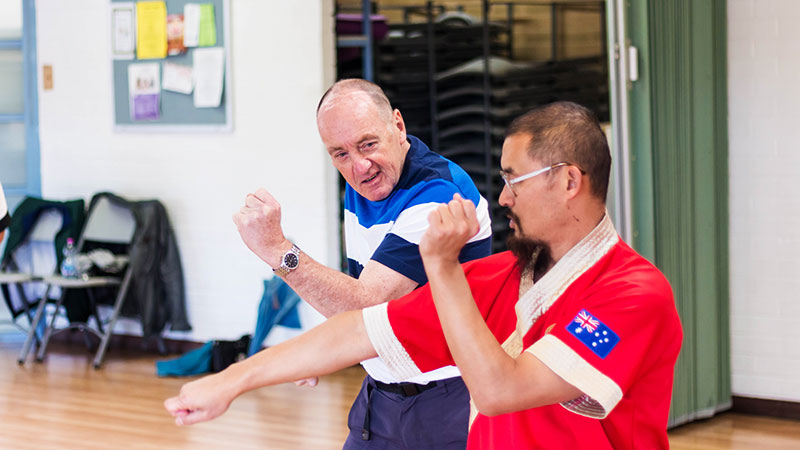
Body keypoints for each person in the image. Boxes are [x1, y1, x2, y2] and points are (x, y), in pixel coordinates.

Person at [166, 102, 682, 449]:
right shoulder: (505, 275)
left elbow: (503, 391)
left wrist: (440, 265)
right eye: (339, 153)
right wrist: (232, 380)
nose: (502, 198)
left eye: (512, 180)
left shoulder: (634, 294)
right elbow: (363, 326)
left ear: (569, 181)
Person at [229, 79, 493, 448]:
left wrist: (278, 250)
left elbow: (367, 303)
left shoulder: (437, 195)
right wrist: (324, 351)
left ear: (398, 126)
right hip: (380, 391)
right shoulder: (364, 185)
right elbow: (354, 293)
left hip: (447, 396)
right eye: (340, 153)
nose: (359, 166)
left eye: (368, 144)